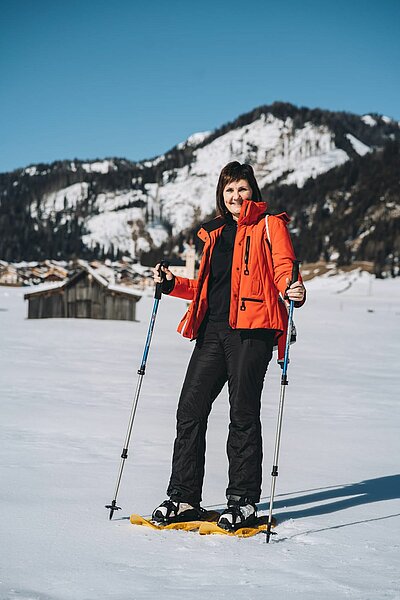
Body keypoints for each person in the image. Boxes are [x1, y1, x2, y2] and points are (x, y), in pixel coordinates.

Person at [151, 161, 306, 531]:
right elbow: (208, 288)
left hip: (253, 331)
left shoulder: (270, 224)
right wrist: (173, 284)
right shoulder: (216, 233)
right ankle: (184, 497)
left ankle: (243, 501)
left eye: (242, 188)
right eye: (229, 190)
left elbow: (285, 268)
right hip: (213, 331)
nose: (236, 196)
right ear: (222, 196)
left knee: (242, 413)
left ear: (253, 190)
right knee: (189, 408)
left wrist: (292, 289)